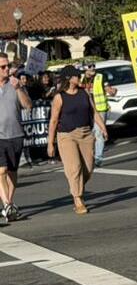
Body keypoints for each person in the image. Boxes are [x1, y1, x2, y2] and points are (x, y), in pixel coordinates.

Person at [46, 65, 108, 215]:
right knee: (74, 167)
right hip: (67, 135)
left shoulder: (84, 93)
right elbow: (53, 121)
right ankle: (78, 199)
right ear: (68, 78)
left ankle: (77, 186)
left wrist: (103, 128)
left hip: (86, 133)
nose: (79, 78)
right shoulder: (59, 97)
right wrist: (50, 143)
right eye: (76, 76)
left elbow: (93, 112)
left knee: (88, 168)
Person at [0, 53, 32, 226]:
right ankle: (7, 204)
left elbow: (28, 105)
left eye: (7, 66)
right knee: (1, 170)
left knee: (12, 172)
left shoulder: (15, 84)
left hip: (16, 134)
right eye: (2, 67)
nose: (7, 69)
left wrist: (19, 88)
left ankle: (9, 204)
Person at [81, 62, 116, 167]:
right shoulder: (80, 78)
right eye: (90, 66)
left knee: (98, 133)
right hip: (85, 111)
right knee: (88, 134)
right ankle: (88, 156)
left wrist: (112, 91)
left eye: (94, 66)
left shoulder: (100, 77)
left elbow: (108, 88)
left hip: (100, 110)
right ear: (85, 68)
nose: (92, 68)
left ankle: (98, 158)